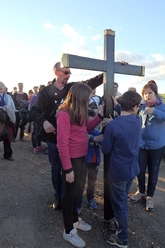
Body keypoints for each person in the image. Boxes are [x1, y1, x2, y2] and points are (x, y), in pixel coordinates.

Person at [30, 62, 104, 211]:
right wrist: (43, 122)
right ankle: (58, 196)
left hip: (71, 142)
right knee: (57, 168)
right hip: (53, 138)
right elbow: (34, 111)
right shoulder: (45, 92)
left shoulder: (72, 88)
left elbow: (91, 83)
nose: (68, 75)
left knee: (70, 172)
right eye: (65, 72)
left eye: (70, 73)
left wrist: (111, 68)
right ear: (56, 72)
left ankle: (69, 199)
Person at [56, 82, 104, 248]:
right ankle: (68, 230)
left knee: (78, 191)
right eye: (88, 97)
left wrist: (100, 116)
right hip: (71, 160)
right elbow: (61, 144)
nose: (90, 100)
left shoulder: (80, 111)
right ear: (79, 98)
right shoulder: (64, 114)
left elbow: (87, 128)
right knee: (69, 195)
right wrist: (68, 168)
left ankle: (75, 220)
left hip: (82, 156)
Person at [102, 90, 142, 248]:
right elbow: (127, 114)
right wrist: (119, 105)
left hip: (118, 171)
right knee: (122, 200)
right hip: (131, 169)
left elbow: (106, 149)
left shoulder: (113, 125)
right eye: (138, 106)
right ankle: (119, 227)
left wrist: (108, 131)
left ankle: (122, 238)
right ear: (134, 107)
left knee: (119, 205)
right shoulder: (138, 120)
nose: (138, 109)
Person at [130, 83, 165, 211]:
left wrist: (156, 112)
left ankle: (150, 196)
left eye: (150, 93)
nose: (147, 95)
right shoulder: (141, 106)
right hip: (141, 144)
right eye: (145, 93)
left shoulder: (163, 107)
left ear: (155, 93)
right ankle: (141, 192)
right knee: (139, 169)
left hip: (157, 145)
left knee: (153, 171)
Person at [77, 109, 103, 214]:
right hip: (84, 161)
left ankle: (90, 199)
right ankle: (77, 204)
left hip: (95, 162)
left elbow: (103, 142)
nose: (91, 125)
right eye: (89, 123)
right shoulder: (82, 132)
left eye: (93, 122)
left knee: (92, 182)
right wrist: (94, 138)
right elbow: (85, 137)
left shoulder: (97, 132)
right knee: (80, 183)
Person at [0, 82, 16, 161]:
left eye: (2, 85)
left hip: (7, 118)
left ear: (5, 88)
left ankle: (8, 154)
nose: (0, 87)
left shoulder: (8, 97)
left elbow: (13, 107)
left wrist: (7, 109)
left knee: (7, 136)